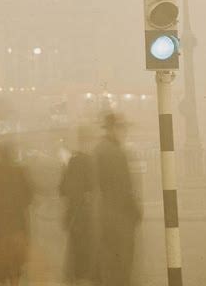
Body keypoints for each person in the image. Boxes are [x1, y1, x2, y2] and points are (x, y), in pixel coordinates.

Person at [94, 113, 141, 286]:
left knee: (110, 263)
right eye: (122, 127)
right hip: (119, 217)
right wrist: (135, 211)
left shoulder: (100, 149)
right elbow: (123, 187)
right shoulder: (114, 152)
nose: (125, 131)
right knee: (121, 264)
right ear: (112, 128)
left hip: (107, 215)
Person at [0, 140, 33, 286]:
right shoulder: (19, 173)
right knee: (15, 264)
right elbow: (28, 198)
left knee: (0, 262)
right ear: (10, 155)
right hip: (16, 224)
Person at [59, 124, 97, 284]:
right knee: (85, 253)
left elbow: (62, 189)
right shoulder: (89, 162)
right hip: (85, 216)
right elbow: (92, 191)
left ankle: (74, 280)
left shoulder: (72, 161)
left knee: (75, 251)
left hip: (73, 214)